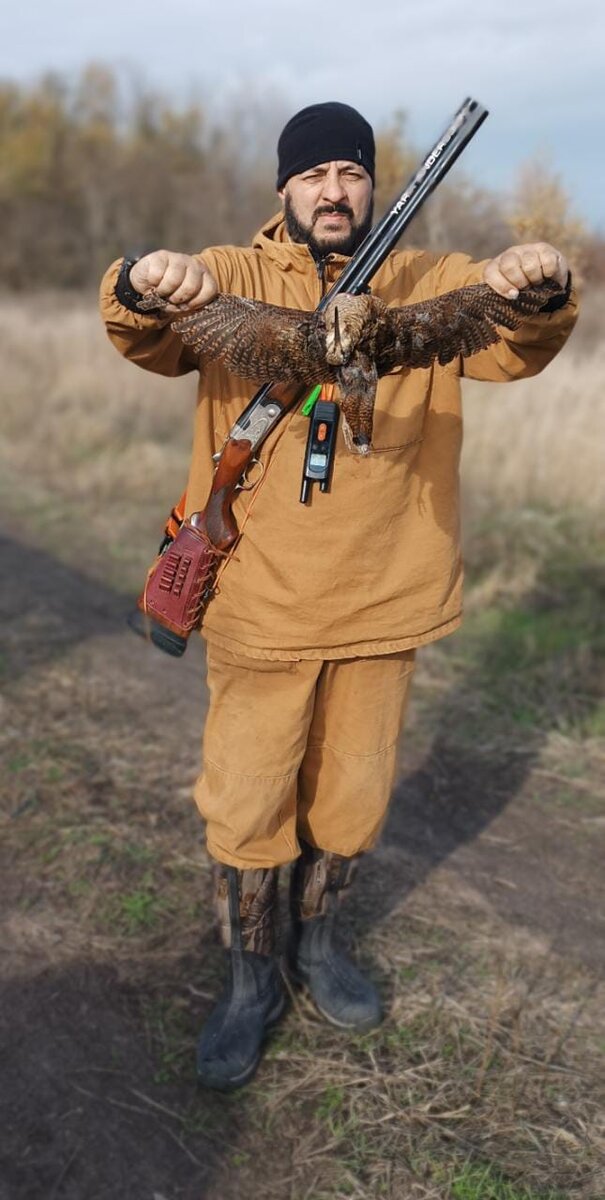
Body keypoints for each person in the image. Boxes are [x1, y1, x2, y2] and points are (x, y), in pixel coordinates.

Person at [99, 102, 578, 1091]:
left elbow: (513, 341)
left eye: (351, 174)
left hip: (382, 595)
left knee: (352, 789)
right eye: (312, 173)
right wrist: (148, 280)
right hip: (262, 603)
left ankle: (316, 949)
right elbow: (141, 327)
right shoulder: (229, 275)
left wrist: (535, 287)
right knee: (247, 792)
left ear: (369, 186)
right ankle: (248, 980)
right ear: (283, 189)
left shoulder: (428, 282)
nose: (332, 189)